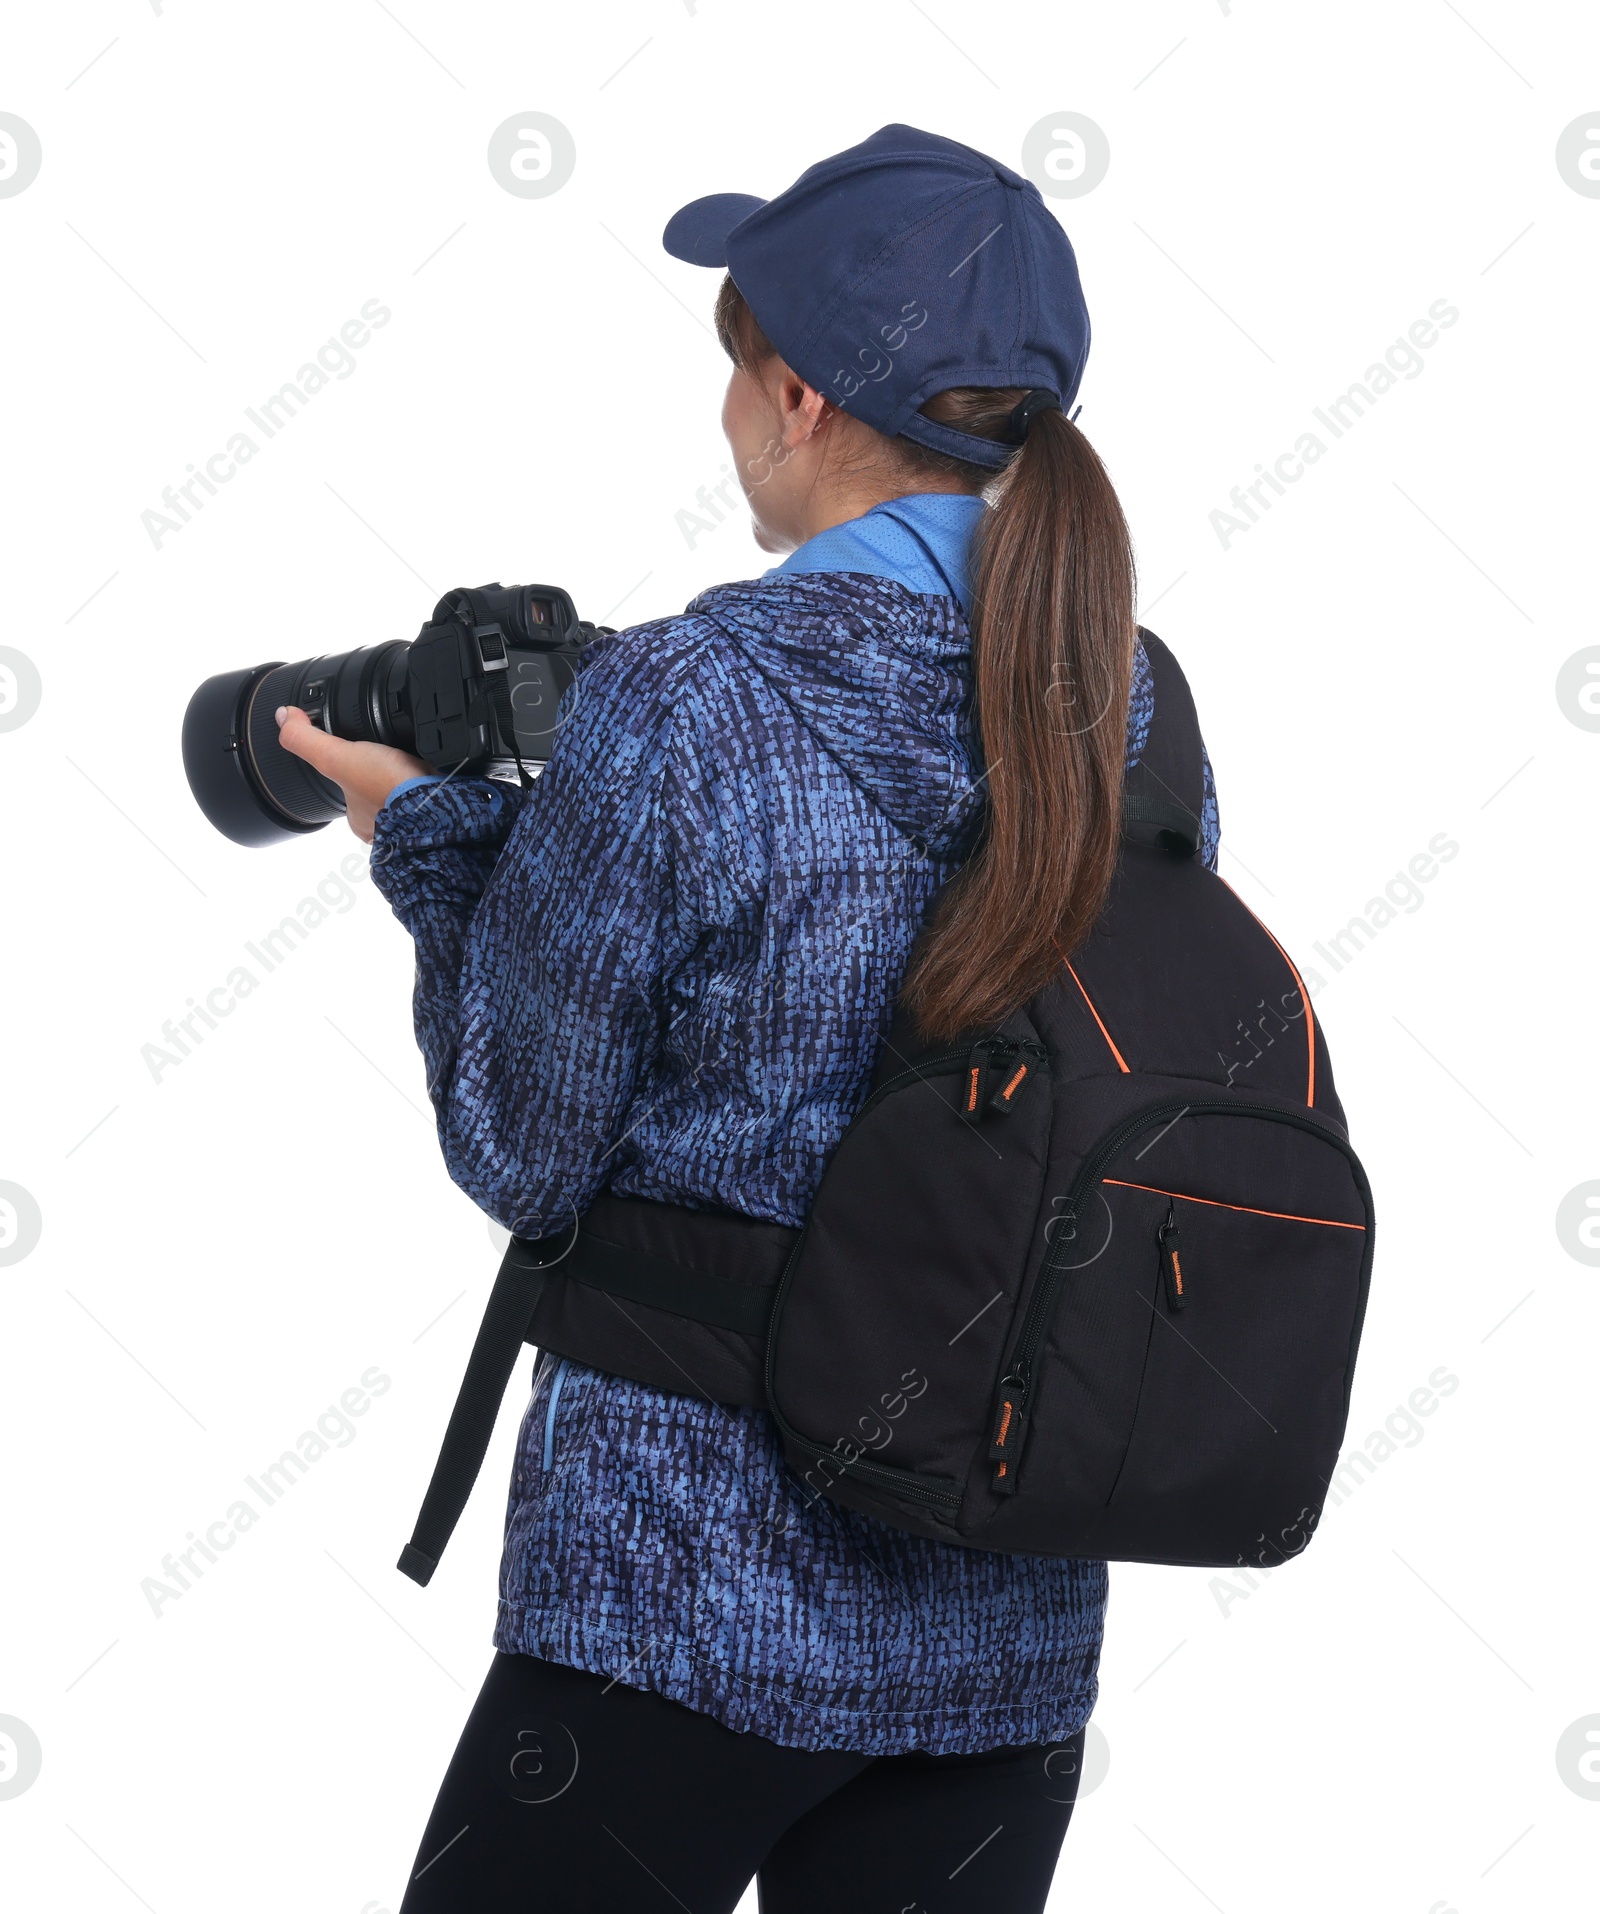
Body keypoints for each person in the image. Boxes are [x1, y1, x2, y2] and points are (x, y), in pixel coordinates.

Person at [278, 122, 1219, 1914]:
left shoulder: (684, 699)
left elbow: (520, 1144)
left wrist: (431, 833)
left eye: (737, 370)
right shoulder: (1138, 704)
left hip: (679, 1611)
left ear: (796, 399)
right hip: (1005, 1627)